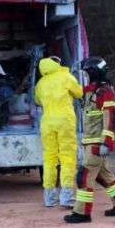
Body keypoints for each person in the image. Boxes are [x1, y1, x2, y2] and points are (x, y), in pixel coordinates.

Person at [65, 57, 115, 223]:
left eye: (87, 74)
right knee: (103, 175)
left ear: (94, 73)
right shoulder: (92, 91)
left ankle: (82, 213)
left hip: (97, 143)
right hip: (91, 142)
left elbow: (110, 117)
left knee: (84, 176)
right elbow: (80, 91)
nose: (85, 77)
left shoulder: (104, 91)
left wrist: (106, 142)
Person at [34, 56, 83, 208]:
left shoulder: (40, 83)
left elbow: (37, 101)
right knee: (67, 157)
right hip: (64, 121)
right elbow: (79, 93)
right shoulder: (66, 76)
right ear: (58, 64)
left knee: (49, 158)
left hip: (47, 122)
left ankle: (49, 197)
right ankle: (66, 196)